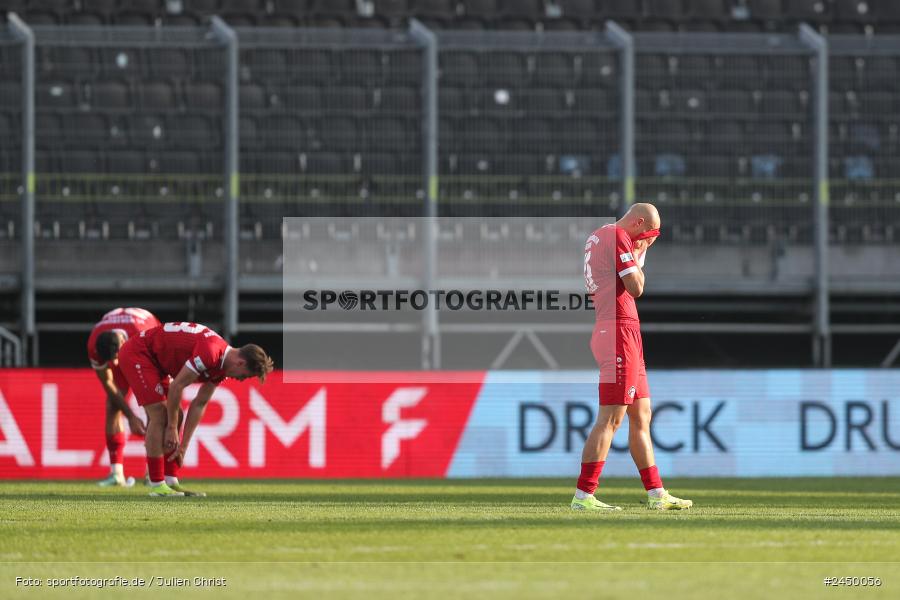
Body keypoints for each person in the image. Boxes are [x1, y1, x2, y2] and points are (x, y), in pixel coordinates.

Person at [572, 203, 693, 511]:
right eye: (650, 235)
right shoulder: (617, 236)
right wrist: (638, 254)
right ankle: (584, 495)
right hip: (618, 331)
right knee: (610, 419)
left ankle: (656, 494)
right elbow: (636, 287)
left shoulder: (601, 236)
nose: (649, 241)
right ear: (639, 223)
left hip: (620, 329)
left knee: (641, 415)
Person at [117, 321, 274, 497]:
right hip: (139, 353)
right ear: (240, 363)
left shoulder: (221, 365)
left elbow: (200, 403)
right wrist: (171, 428)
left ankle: (170, 481)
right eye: (245, 375)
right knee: (160, 415)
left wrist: (183, 446)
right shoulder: (211, 353)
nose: (241, 380)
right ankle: (157, 485)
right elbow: (177, 386)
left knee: (177, 415)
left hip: (157, 362)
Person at [87, 307, 160, 487]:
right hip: (127, 343)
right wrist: (131, 417)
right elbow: (108, 384)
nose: (115, 363)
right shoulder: (94, 344)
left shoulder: (143, 336)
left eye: (116, 357)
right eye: (111, 360)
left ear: (122, 342)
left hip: (145, 352)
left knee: (154, 408)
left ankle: (153, 473)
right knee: (112, 405)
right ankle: (116, 474)